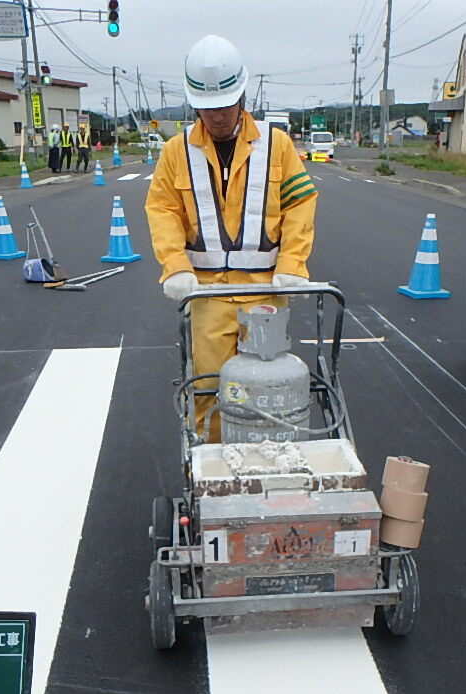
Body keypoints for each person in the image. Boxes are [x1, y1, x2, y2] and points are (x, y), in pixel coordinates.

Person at [145, 34, 317, 440]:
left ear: (241, 97)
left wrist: (293, 264)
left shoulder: (277, 145)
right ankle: (214, 467)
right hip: (206, 295)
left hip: (265, 293)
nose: (217, 116)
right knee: (208, 387)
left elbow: (300, 205)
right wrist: (174, 266)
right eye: (207, 108)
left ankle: (270, 461)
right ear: (194, 105)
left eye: (224, 106)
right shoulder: (176, 151)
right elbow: (163, 210)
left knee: (267, 385)